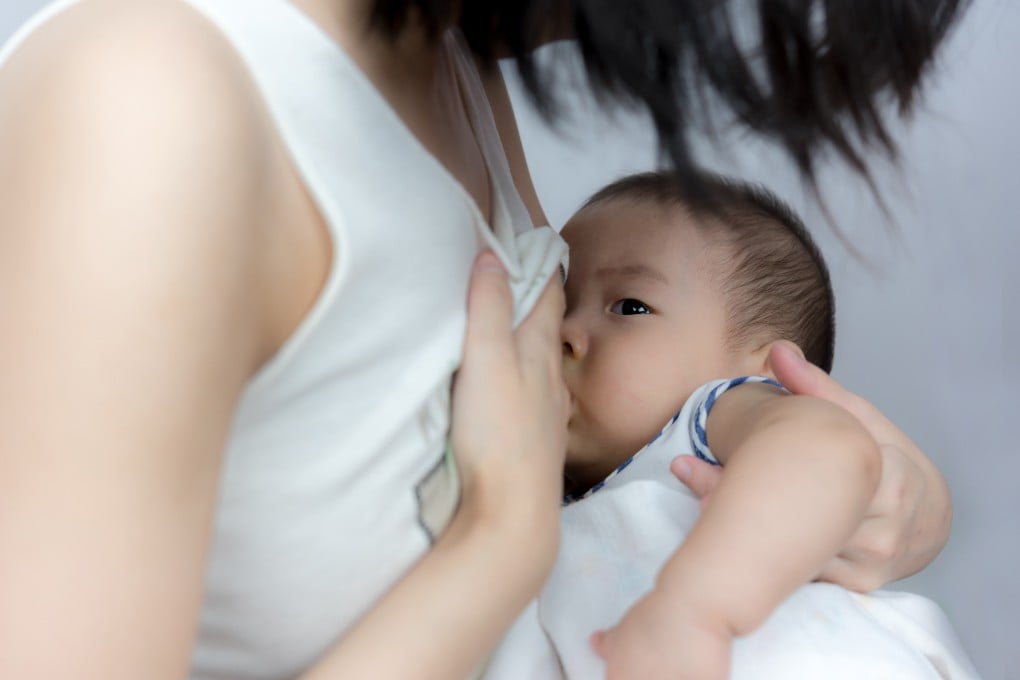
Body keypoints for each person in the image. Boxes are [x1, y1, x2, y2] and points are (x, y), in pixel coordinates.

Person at [0, 1, 965, 678]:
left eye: (626, 308)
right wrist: (499, 549)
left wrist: (898, 500)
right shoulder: (153, 105)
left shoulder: (459, 65)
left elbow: (782, 444)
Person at [485, 171, 978, 679]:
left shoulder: (712, 414)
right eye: (559, 304)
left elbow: (829, 449)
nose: (563, 330)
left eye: (630, 306)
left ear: (764, 371)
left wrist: (696, 609)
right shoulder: (541, 491)